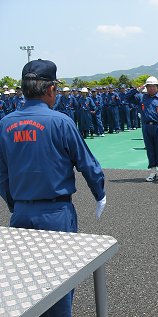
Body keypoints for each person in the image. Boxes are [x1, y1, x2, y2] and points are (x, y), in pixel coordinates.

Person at [0, 59, 106, 317]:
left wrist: (15, 204)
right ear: (49, 90)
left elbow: (2, 175)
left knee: (25, 286)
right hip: (56, 214)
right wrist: (99, 194)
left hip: (21, 214)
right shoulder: (61, 122)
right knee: (58, 286)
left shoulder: (4, 124)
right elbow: (87, 163)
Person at [127, 76, 158, 182]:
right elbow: (127, 98)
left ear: (157, 87)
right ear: (146, 87)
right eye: (149, 86)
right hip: (146, 127)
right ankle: (153, 171)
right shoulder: (141, 98)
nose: (151, 88)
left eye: (153, 86)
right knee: (150, 149)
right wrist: (136, 90)